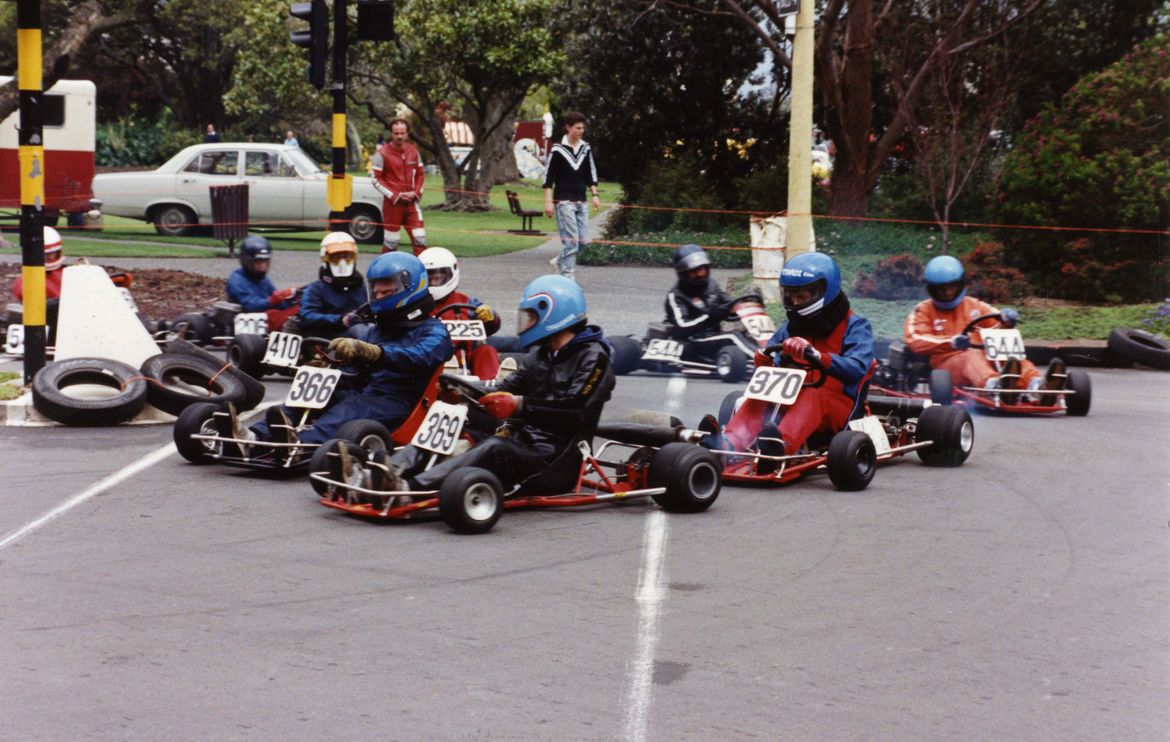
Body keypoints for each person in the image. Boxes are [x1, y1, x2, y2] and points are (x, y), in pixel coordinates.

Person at [379, 274, 615, 493]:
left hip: (557, 457)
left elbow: (576, 411)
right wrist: (461, 393)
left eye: (532, 317)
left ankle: (410, 489)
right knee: (459, 431)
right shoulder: (540, 355)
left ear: (554, 315)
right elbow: (503, 390)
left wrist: (518, 405)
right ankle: (388, 470)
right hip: (523, 442)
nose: (527, 323)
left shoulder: (594, 357)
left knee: (495, 447)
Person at [246, 251, 454, 448]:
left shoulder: (434, 331)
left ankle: (299, 443)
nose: (379, 297)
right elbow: (353, 374)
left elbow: (420, 356)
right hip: (366, 394)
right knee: (317, 392)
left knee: (350, 409)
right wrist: (328, 368)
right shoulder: (376, 331)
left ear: (410, 288)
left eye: (386, 292)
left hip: (400, 402)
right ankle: (254, 436)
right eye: (376, 292)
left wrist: (376, 353)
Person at [700, 252, 874, 472]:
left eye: (802, 296)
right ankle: (729, 445)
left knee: (813, 395)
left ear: (825, 291)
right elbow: (773, 357)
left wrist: (817, 356)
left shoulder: (856, 327)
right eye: (791, 296)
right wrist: (764, 361)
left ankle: (780, 446)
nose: (795, 303)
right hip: (793, 400)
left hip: (838, 407)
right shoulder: (791, 327)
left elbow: (858, 367)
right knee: (764, 393)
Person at [904, 255, 1049, 393]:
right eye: (941, 288)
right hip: (948, 365)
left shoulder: (974, 305)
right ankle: (991, 385)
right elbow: (914, 339)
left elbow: (997, 320)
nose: (947, 293)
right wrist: (951, 342)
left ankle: (1034, 383)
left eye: (952, 286)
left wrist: (1006, 320)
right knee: (970, 355)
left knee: (1005, 350)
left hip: (983, 359)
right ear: (932, 289)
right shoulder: (923, 310)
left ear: (960, 284)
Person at [419, 246, 501, 379]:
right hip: (430, 363)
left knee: (487, 350)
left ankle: (491, 386)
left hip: (466, 362)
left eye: (439, 276)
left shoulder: (468, 303)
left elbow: (491, 327)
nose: (434, 280)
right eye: (430, 276)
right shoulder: (417, 306)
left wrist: (491, 318)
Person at [542, 111, 600, 281]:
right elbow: (548, 178)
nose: (581, 131)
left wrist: (594, 194)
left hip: (581, 200)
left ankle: (559, 261)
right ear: (568, 128)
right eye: (577, 128)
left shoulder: (585, 148)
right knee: (571, 241)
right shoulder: (558, 149)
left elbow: (590, 173)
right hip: (564, 200)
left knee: (582, 243)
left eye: (582, 128)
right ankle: (568, 277)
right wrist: (548, 202)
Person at [370, 118, 427, 255]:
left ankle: (422, 267)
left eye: (402, 133)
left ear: (407, 134)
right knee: (391, 242)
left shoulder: (413, 151)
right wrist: (395, 196)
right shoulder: (381, 153)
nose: (399, 136)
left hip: (412, 204)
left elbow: (421, 175)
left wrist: (415, 193)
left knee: (420, 239)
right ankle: (385, 268)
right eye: (396, 133)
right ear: (391, 133)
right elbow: (375, 179)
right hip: (392, 205)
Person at [297, 232, 369, 339]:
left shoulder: (360, 286)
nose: (342, 262)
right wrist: (341, 319)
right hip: (328, 339)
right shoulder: (317, 288)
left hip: (359, 337)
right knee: (358, 331)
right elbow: (307, 316)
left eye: (346, 256)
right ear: (326, 258)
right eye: (336, 257)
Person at [225, 235, 299, 332]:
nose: (263, 266)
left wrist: (292, 297)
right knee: (283, 316)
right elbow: (250, 305)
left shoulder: (262, 279)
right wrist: (274, 299)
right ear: (247, 261)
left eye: (265, 262)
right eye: (259, 263)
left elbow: (279, 304)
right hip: (248, 322)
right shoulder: (237, 280)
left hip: (266, 318)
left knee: (300, 309)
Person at [663, 243, 733, 342]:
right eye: (693, 272)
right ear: (683, 273)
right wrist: (710, 317)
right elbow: (682, 326)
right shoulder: (676, 296)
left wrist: (744, 306)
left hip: (713, 336)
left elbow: (730, 303)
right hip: (689, 341)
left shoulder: (712, 285)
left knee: (738, 338)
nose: (699, 274)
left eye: (701, 270)